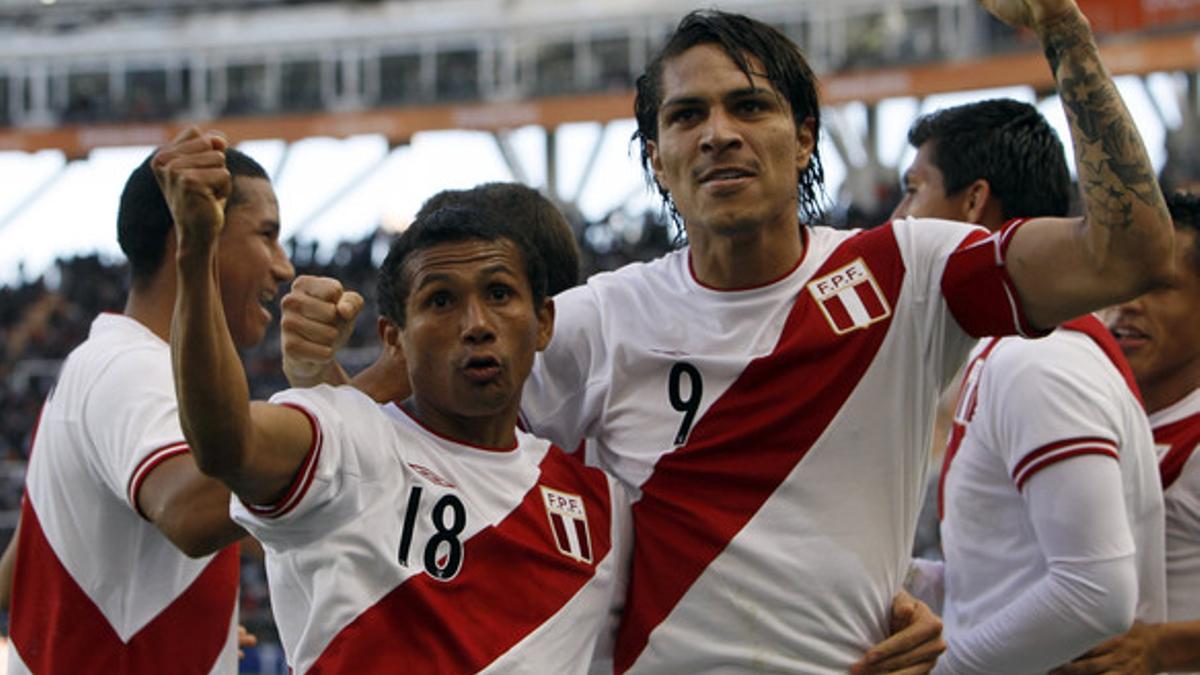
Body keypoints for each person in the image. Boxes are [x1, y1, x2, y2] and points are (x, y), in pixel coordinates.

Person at [280, 1, 1175, 671]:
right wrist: (322, 385)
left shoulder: (912, 273)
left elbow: (1129, 252)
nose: (718, 136)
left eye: (749, 108)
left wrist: (1064, 34)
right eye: (685, 117)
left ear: (803, 136)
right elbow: (409, 454)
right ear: (657, 158)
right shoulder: (595, 319)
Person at [157, 138, 633, 673]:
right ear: (394, 337)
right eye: (441, 300)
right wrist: (196, 256)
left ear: (543, 321)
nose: (476, 324)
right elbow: (228, 446)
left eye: (499, 293)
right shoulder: (349, 439)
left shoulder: (603, 505)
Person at [892, 99, 1167, 673]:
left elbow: (1095, 590)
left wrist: (948, 672)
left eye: (914, 190)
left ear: (972, 203)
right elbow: (1016, 574)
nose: (896, 218)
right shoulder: (1016, 350)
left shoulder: (1036, 361)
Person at [6, 129, 294, 673]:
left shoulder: (100, 361)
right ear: (188, 233)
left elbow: (23, 568)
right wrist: (344, 415)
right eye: (267, 235)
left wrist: (177, 622)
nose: (284, 267)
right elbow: (191, 513)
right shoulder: (135, 368)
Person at [1053, 190, 1200, 674]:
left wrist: (1161, 646)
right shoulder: (1090, 406)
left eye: (1157, 285)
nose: (1128, 303)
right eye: (1119, 281)